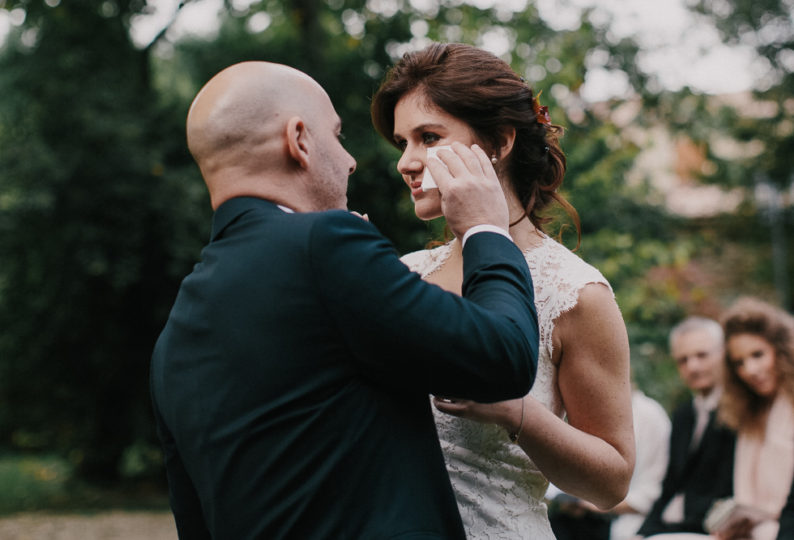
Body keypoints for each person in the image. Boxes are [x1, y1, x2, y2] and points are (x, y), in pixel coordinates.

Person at [150, 61, 542, 539]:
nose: (352, 159)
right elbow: (504, 359)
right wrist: (486, 229)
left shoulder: (174, 337)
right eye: (336, 136)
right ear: (299, 141)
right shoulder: (324, 246)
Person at [371, 42, 635, 539]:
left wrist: (516, 413)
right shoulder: (401, 274)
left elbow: (612, 481)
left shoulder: (575, 292)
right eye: (403, 143)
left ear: (500, 142)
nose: (406, 162)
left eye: (428, 137)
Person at [644, 298, 794, 540]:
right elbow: (670, 486)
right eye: (740, 363)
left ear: (782, 349)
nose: (751, 370)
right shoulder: (746, 414)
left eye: (758, 354)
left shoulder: (773, 411)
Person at [635, 317, 736, 538]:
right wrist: (642, 534)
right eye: (683, 360)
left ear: (723, 354)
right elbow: (670, 485)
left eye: (702, 355)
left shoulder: (739, 413)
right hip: (668, 527)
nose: (692, 366)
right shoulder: (684, 414)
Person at [548, 384, 671, 540]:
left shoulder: (650, 415)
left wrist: (596, 505)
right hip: (589, 514)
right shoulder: (595, 410)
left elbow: (652, 491)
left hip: (625, 520)